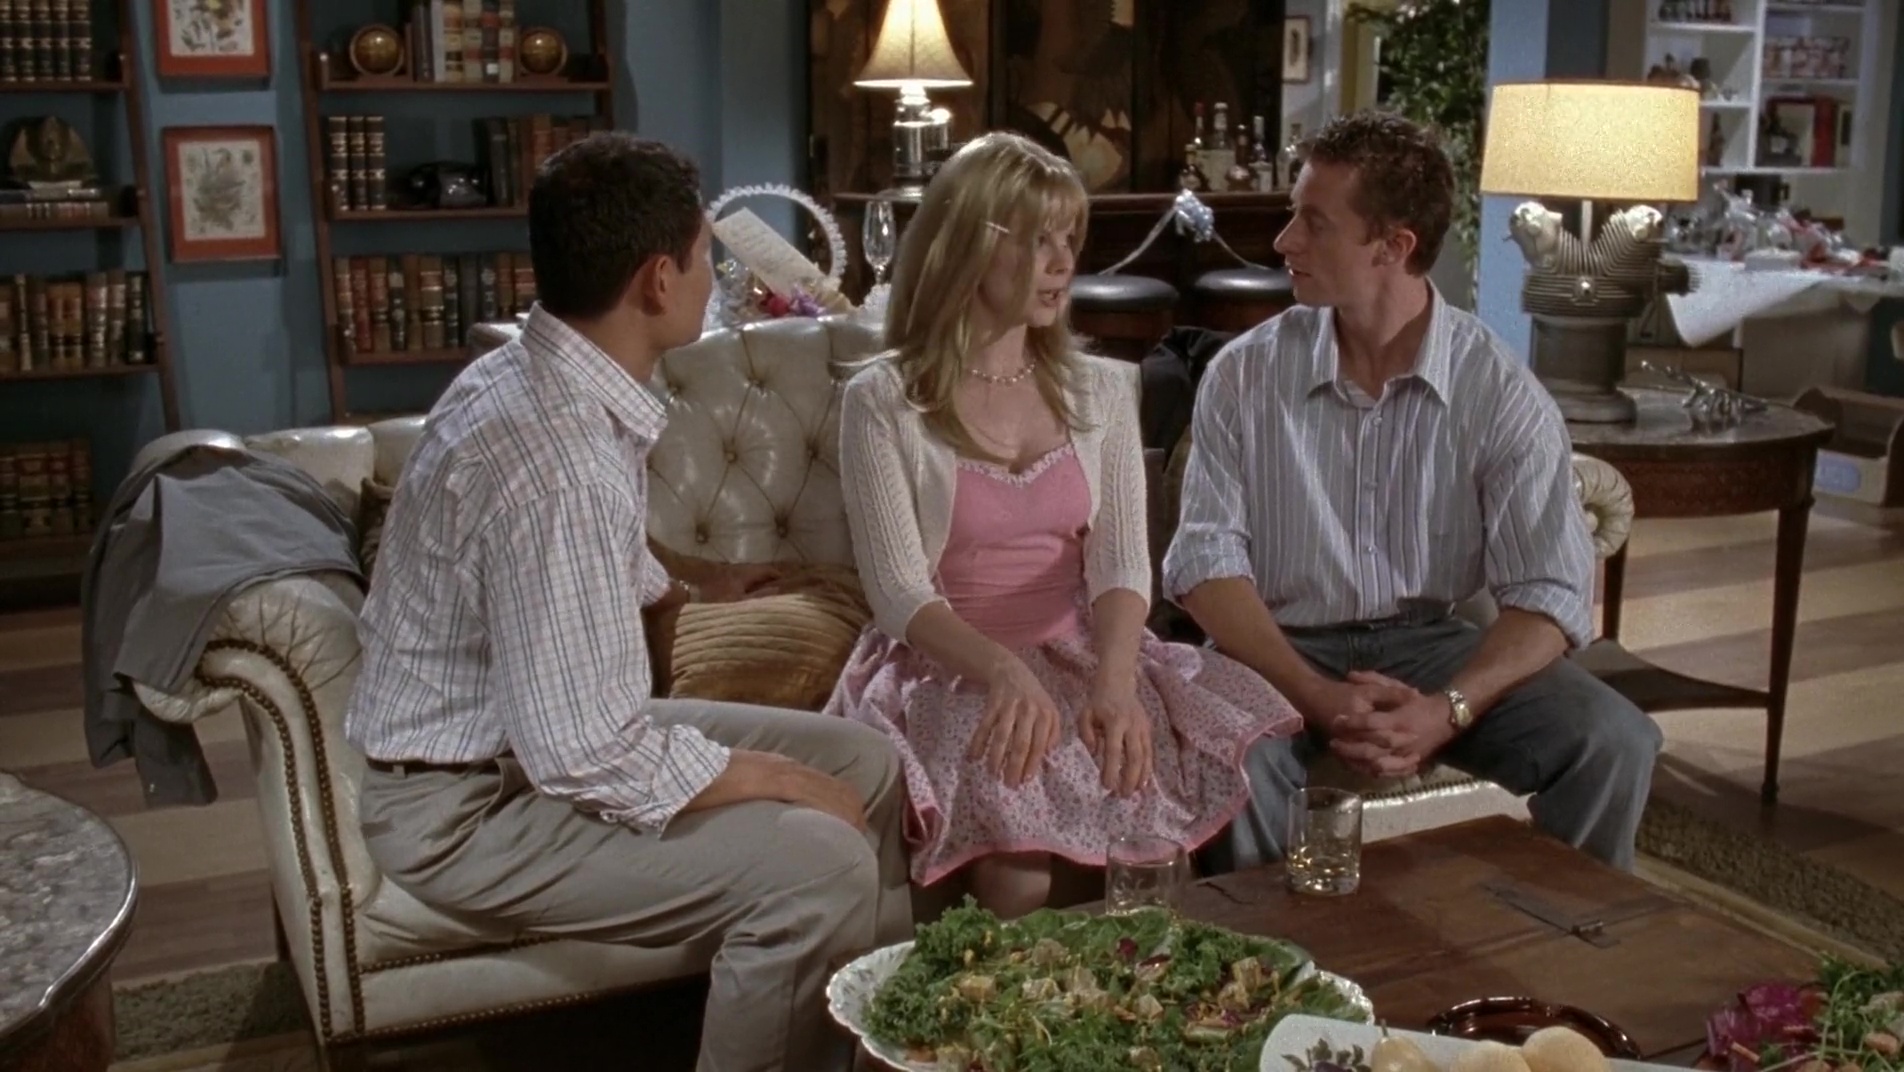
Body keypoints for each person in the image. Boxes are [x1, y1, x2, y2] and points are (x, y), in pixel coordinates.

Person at [344, 132, 911, 1072]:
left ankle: (864, 1048)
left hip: (529, 750)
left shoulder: (542, 373)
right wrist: (770, 776)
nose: (711, 277)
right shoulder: (555, 458)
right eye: (704, 256)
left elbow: (583, 570)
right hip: (472, 807)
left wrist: (695, 584)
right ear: (658, 279)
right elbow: (582, 749)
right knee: (820, 868)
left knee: (865, 760)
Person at [1161, 111, 1663, 873]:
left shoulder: (1499, 390)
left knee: (1615, 740)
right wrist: (1314, 694)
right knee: (1230, 756)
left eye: (1314, 223)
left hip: (1431, 643)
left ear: (1393, 248)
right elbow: (1205, 567)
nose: (1284, 241)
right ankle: (1259, 943)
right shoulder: (1245, 374)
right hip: (1276, 645)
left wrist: (1447, 710)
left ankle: (1559, 934)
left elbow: (1551, 595)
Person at [825, 131, 1302, 920]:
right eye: (1036, 240)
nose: (1061, 263)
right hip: (951, 662)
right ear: (968, 247)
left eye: (1067, 239)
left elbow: (1121, 565)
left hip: (1084, 649)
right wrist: (1003, 671)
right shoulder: (882, 401)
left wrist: (1117, 681)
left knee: (1146, 815)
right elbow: (898, 591)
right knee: (1015, 832)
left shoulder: (1103, 390)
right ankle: (1015, 997)